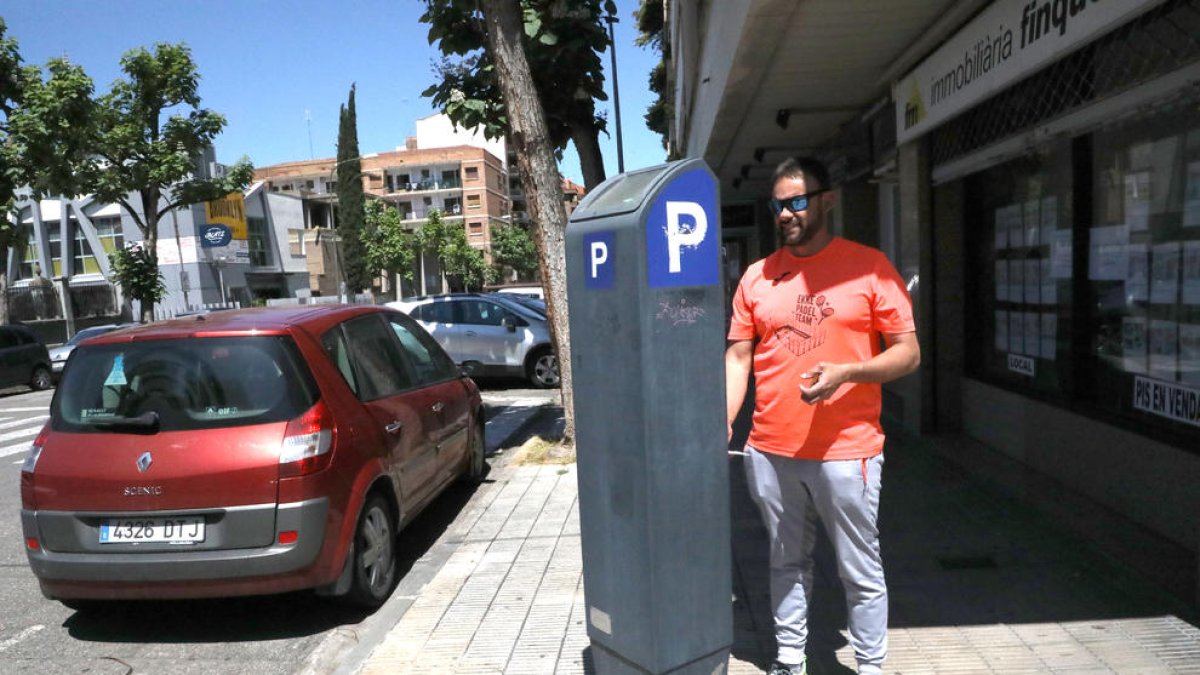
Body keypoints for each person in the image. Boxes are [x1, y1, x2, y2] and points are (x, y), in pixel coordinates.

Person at [725, 157, 920, 675]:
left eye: (796, 202)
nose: (785, 213)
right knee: (785, 561)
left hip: (847, 450)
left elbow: (908, 353)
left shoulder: (870, 267)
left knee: (859, 567)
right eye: (777, 205)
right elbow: (739, 356)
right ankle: (789, 659)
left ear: (825, 201)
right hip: (770, 449)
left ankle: (871, 665)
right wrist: (724, 420)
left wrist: (849, 374)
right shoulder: (756, 277)